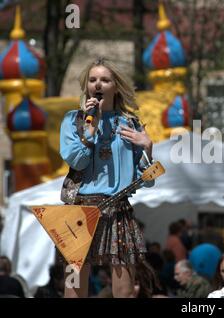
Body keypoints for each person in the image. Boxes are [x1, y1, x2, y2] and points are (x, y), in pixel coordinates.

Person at [59, 57, 155, 298]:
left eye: (104, 79)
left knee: (123, 289)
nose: (98, 84)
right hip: (80, 208)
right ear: (87, 86)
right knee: (75, 285)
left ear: (116, 86)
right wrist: (91, 130)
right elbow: (77, 161)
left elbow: (147, 180)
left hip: (117, 208)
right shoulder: (74, 121)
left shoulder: (130, 123)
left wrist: (148, 148)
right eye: (93, 80)